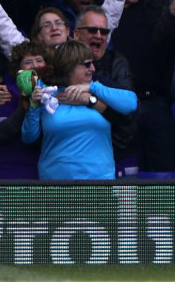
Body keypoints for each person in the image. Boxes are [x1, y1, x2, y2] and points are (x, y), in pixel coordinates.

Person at [21, 40, 137, 180]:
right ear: (69, 67)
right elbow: (28, 137)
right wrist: (33, 105)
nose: (93, 68)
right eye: (87, 64)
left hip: (99, 183)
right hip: (55, 185)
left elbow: (131, 103)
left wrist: (92, 89)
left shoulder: (98, 90)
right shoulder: (48, 94)